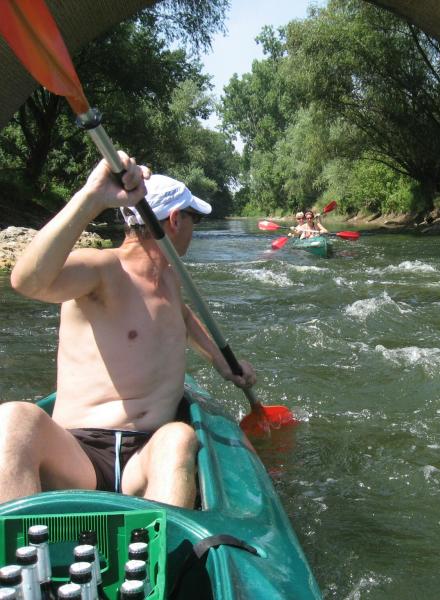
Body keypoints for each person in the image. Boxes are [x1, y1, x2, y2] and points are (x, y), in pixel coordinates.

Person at [1, 153, 256, 509]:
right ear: (175, 219)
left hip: (145, 455)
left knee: (179, 436)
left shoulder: (170, 279)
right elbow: (27, 281)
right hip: (79, 455)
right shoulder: (103, 269)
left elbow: (180, 318)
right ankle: (18, 543)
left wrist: (221, 361)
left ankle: (162, 542)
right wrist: (91, 197)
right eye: (194, 219)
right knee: (13, 418)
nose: (194, 229)